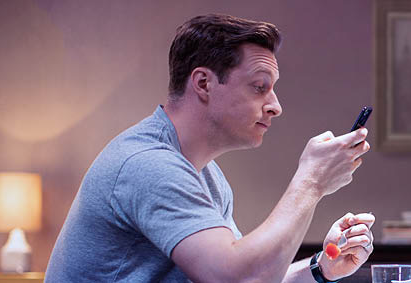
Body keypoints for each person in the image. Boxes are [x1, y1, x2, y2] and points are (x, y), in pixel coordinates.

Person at [46, 14, 374, 282]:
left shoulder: (206, 176)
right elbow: (236, 280)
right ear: (204, 83)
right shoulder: (147, 165)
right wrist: (311, 182)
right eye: (260, 87)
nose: (275, 106)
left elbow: (249, 276)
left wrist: (320, 267)